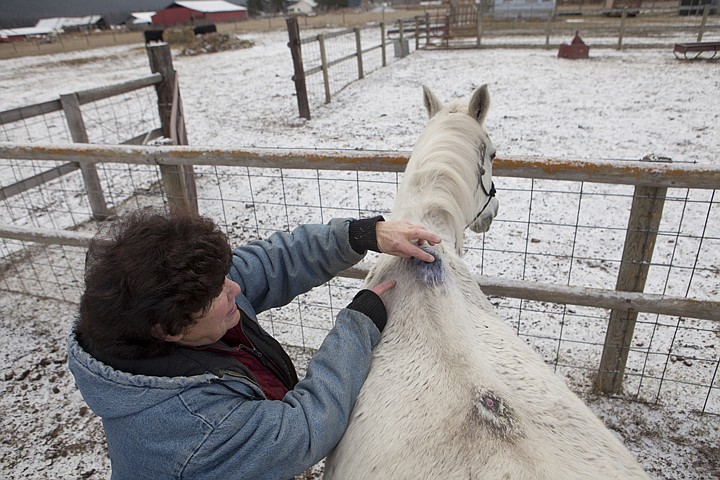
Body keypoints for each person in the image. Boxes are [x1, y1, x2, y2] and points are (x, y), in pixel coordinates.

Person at [67, 207, 441, 479]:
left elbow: (271, 262)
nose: (236, 287)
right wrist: (359, 323)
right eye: (219, 290)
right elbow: (306, 426)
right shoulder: (197, 428)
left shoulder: (175, 308)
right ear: (169, 331)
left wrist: (361, 235)